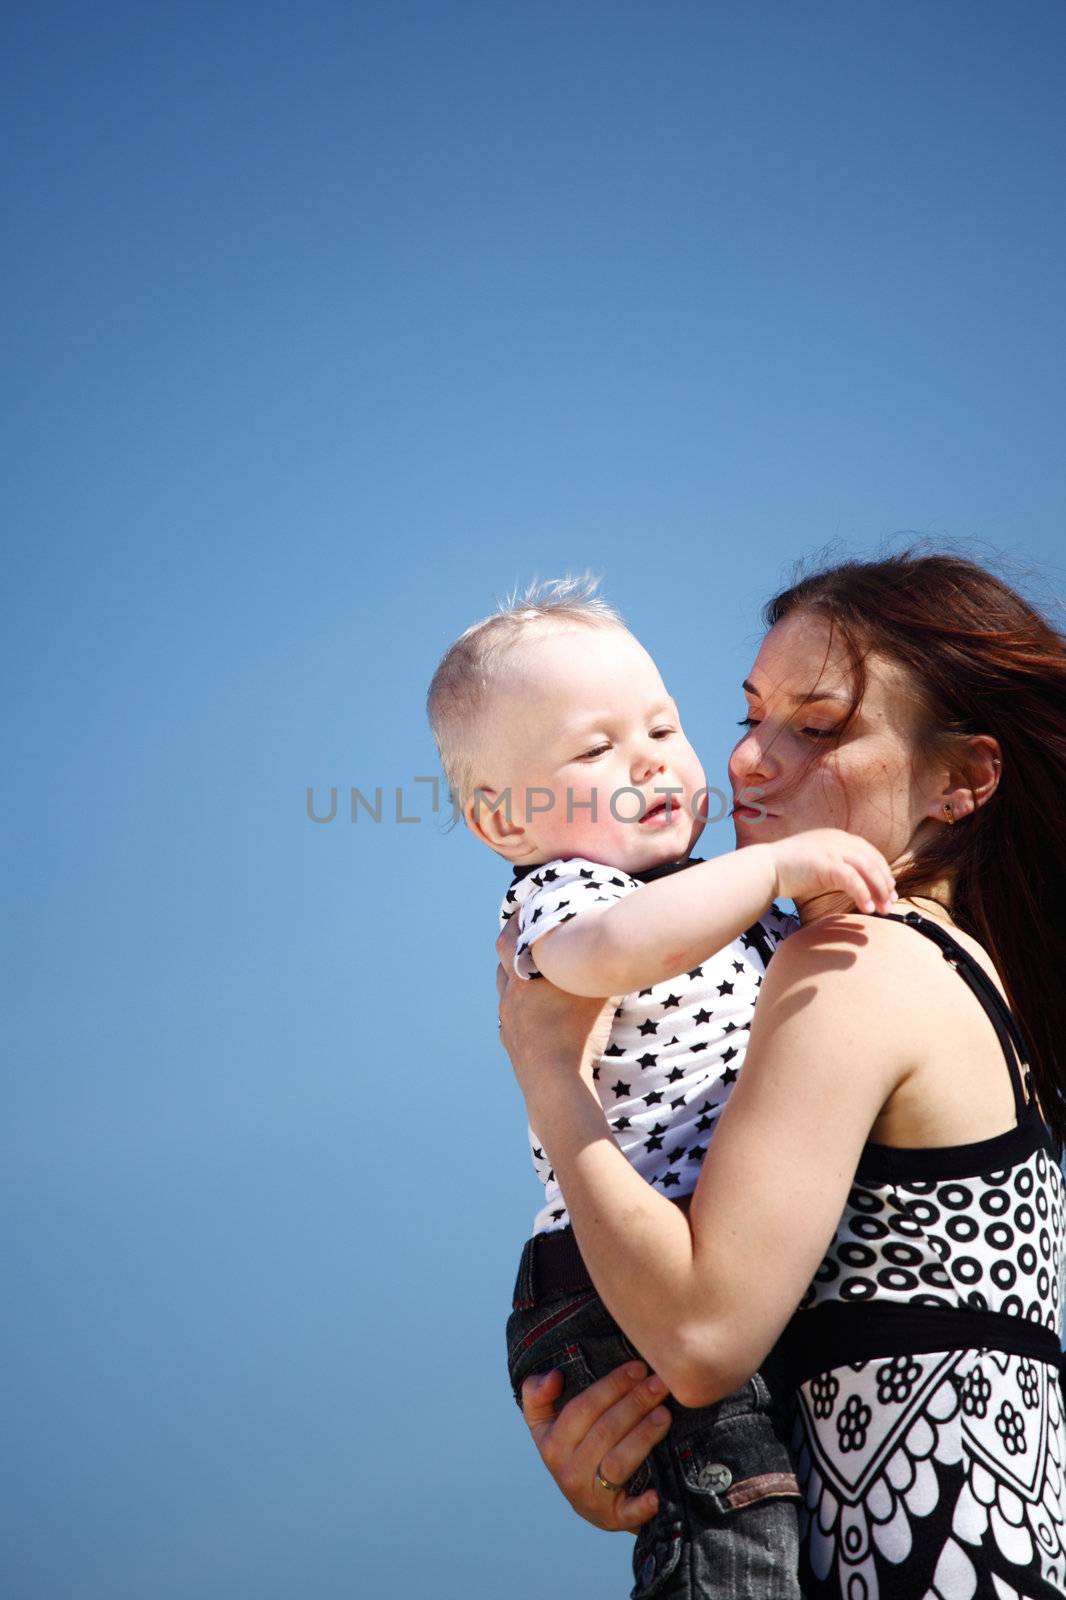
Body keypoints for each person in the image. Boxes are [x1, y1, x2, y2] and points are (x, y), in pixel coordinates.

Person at [495, 550, 1066, 1599]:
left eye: (818, 726)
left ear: (963, 779)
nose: (750, 759)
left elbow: (705, 1337)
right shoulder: (949, 971)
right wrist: (654, 1461)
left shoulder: (858, 964)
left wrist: (546, 1071)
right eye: (750, 715)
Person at [425, 578, 897, 1599]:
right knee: (738, 1528)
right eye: (592, 749)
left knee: (781, 1505)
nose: (648, 758)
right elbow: (610, 951)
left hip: (704, 1256)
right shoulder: (565, 895)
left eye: (663, 724)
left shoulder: (720, 899)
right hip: (610, 1278)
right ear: (505, 821)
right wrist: (782, 870)